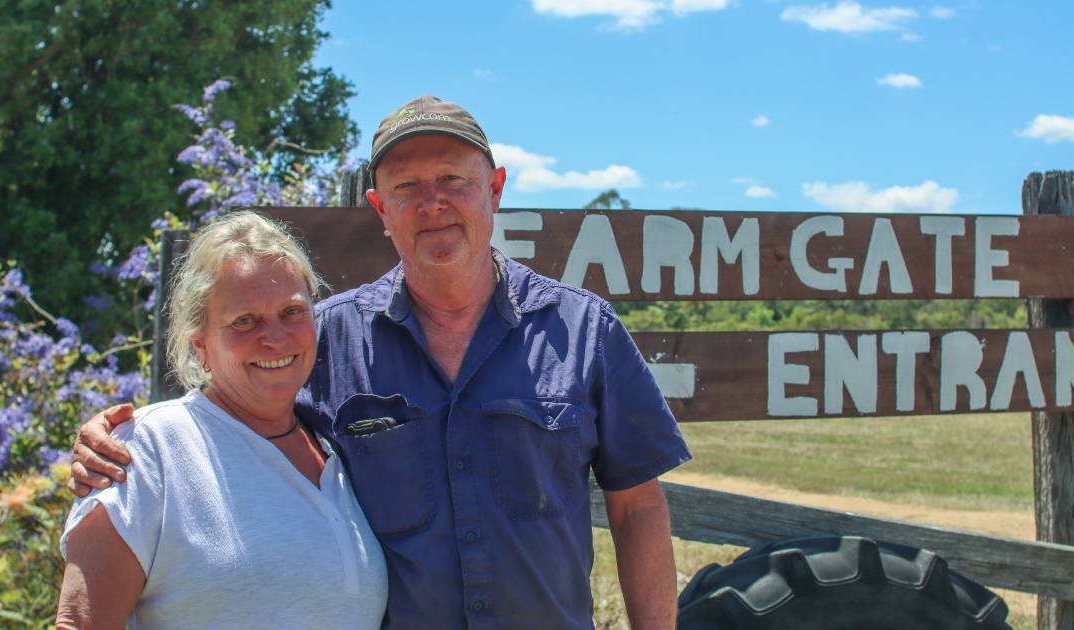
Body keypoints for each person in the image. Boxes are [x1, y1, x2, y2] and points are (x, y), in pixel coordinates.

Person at [71, 96, 691, 629]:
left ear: (494, 189)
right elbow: (232, 399)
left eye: (453, 180)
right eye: (407, 188)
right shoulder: (326, 337)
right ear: (379, 208)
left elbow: (637, 507)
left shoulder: (583, 329)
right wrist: (124, 437)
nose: (433, 203)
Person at [57, 212, 388, 628]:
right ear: (201, 345)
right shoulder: (146, 450)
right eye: (244, 321)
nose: (275, 337)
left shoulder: (336, 449)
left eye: (291, 311)